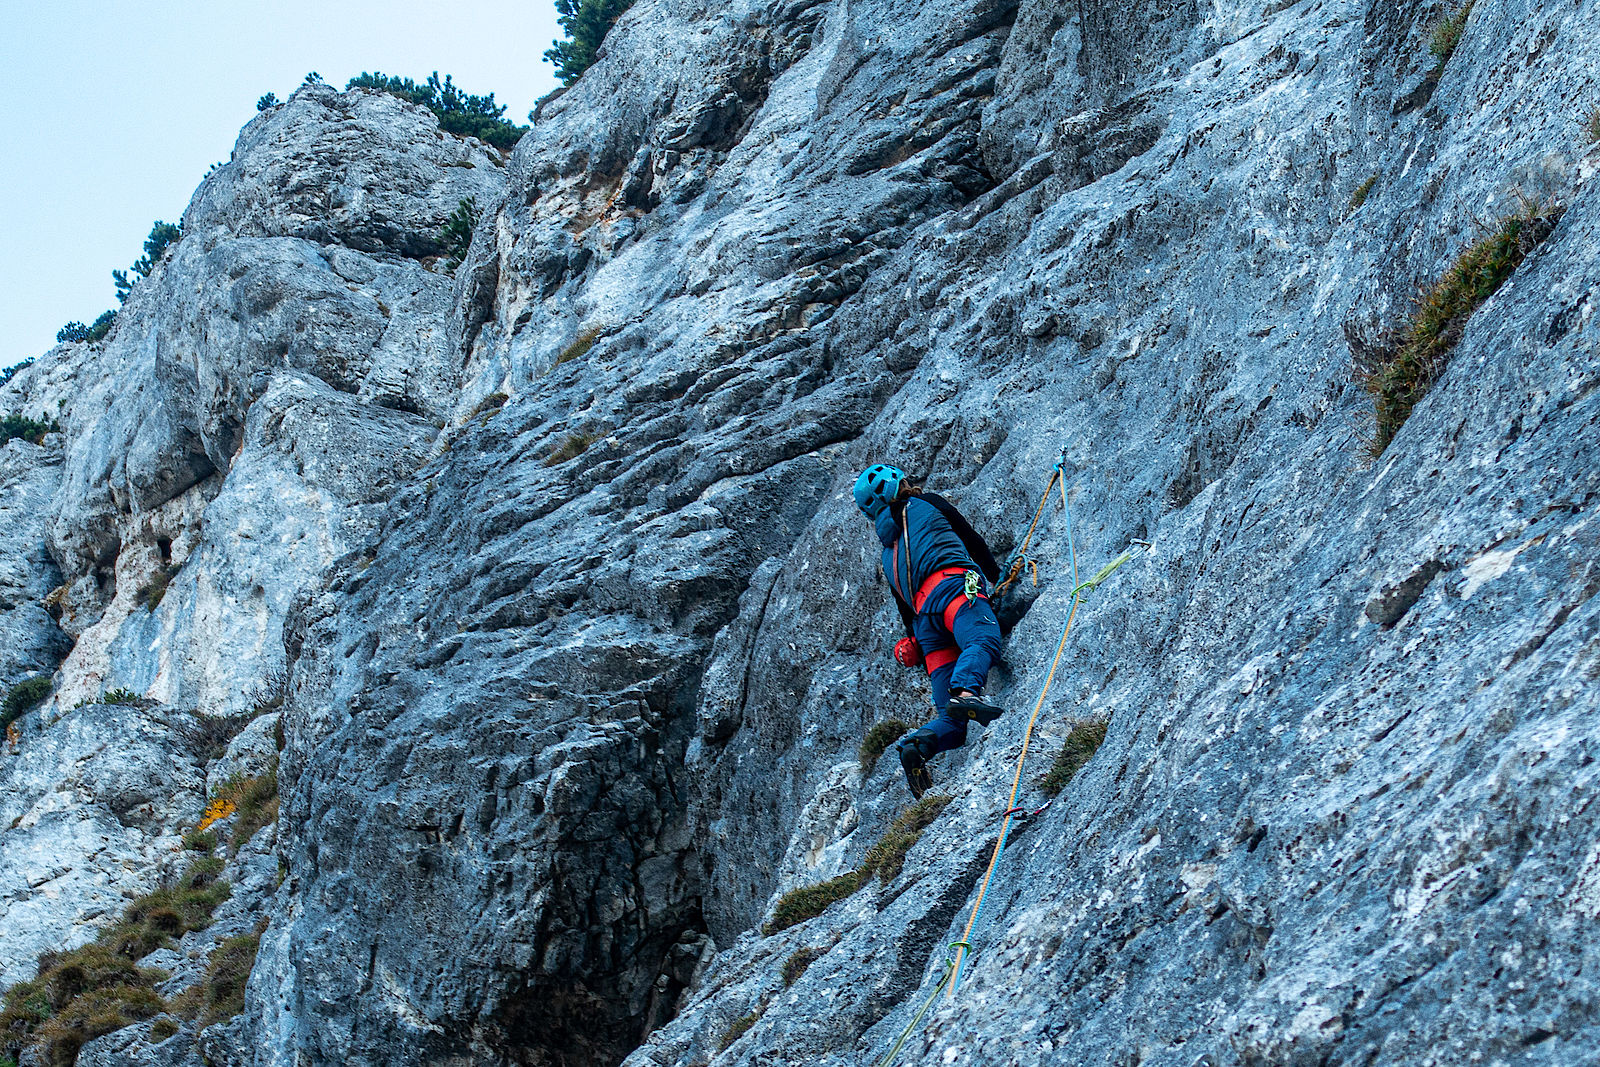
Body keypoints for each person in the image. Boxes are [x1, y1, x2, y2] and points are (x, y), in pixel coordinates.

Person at [854, 464, 1005, 796]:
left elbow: (904, 610)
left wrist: (922, 650)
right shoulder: (929, 503)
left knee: (952, 724)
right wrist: (998, 575)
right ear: (900, 484)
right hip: (954, 590)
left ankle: (917, 746)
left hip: (926, 625)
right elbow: (971, 540)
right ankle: (967, 693)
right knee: (982, 639)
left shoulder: (887, 552)